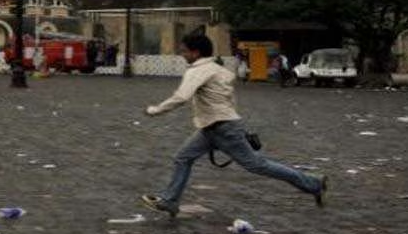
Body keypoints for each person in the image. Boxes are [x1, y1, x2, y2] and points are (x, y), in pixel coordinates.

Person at [140, 32, 327, 217]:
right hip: (215, 127)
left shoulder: (198, 71)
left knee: (258, 165)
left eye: (184, 51)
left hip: (220, 128)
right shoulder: (219, 70)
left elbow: (182, 97)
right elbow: (229, 100)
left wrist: (155, 110)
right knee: (183, 158)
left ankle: (314, 183)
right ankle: (170, 201)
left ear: (195, 53)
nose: (182, 55)